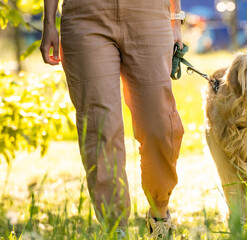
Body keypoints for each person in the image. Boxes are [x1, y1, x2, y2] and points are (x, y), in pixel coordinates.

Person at [40, 0, 185, 238]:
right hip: (86, 15)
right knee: (100, 127)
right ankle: (114, 228)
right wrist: (49, 22)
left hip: (148, 12)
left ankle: (159, 215)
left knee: (159, 123)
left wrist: (176, 19)